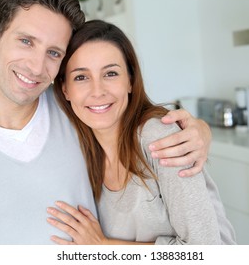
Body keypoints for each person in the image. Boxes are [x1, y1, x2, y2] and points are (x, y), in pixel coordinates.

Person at [0, 0, 212, 245]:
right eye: (26, 41)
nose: (35, 66)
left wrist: (199, 130)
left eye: (53, 52)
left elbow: (134, 116)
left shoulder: (77, 109)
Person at [48, 20, 235, 245]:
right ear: (65, 89)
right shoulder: (81, 150)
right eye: (81, 77)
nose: (97, 91)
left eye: (110, 74)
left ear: (130, 80)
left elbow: (204, 248)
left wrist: (104, 247)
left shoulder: (158, 137)